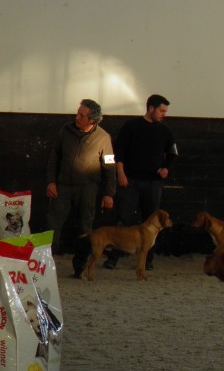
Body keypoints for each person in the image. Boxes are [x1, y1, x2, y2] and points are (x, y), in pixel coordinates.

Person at [104, 94, 178, 270]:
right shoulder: (131, 126)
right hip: (130, 181)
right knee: (123, 219)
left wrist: (166, 168)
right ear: (151, 108)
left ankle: (147, 260)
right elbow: (119, 152)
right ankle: (114, 257)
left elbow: (173, 153)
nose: (164, 114)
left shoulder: (165, 131)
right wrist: (120, 173)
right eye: (161, 111)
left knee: (152, 221)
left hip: (153, 183)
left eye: (165, 111)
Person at [45, 99, 117, 278]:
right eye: (78, 113)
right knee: (52, 224)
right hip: (63, 186)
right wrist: (51, 181)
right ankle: (44, 265)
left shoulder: (103, 138)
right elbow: (55, 156)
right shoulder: (65, 130)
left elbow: (109, 167)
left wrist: (109, 193)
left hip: (87, 189)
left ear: (92, 120)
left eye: (81, 115)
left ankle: (80, 268)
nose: (77, 117)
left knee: (85, 228)